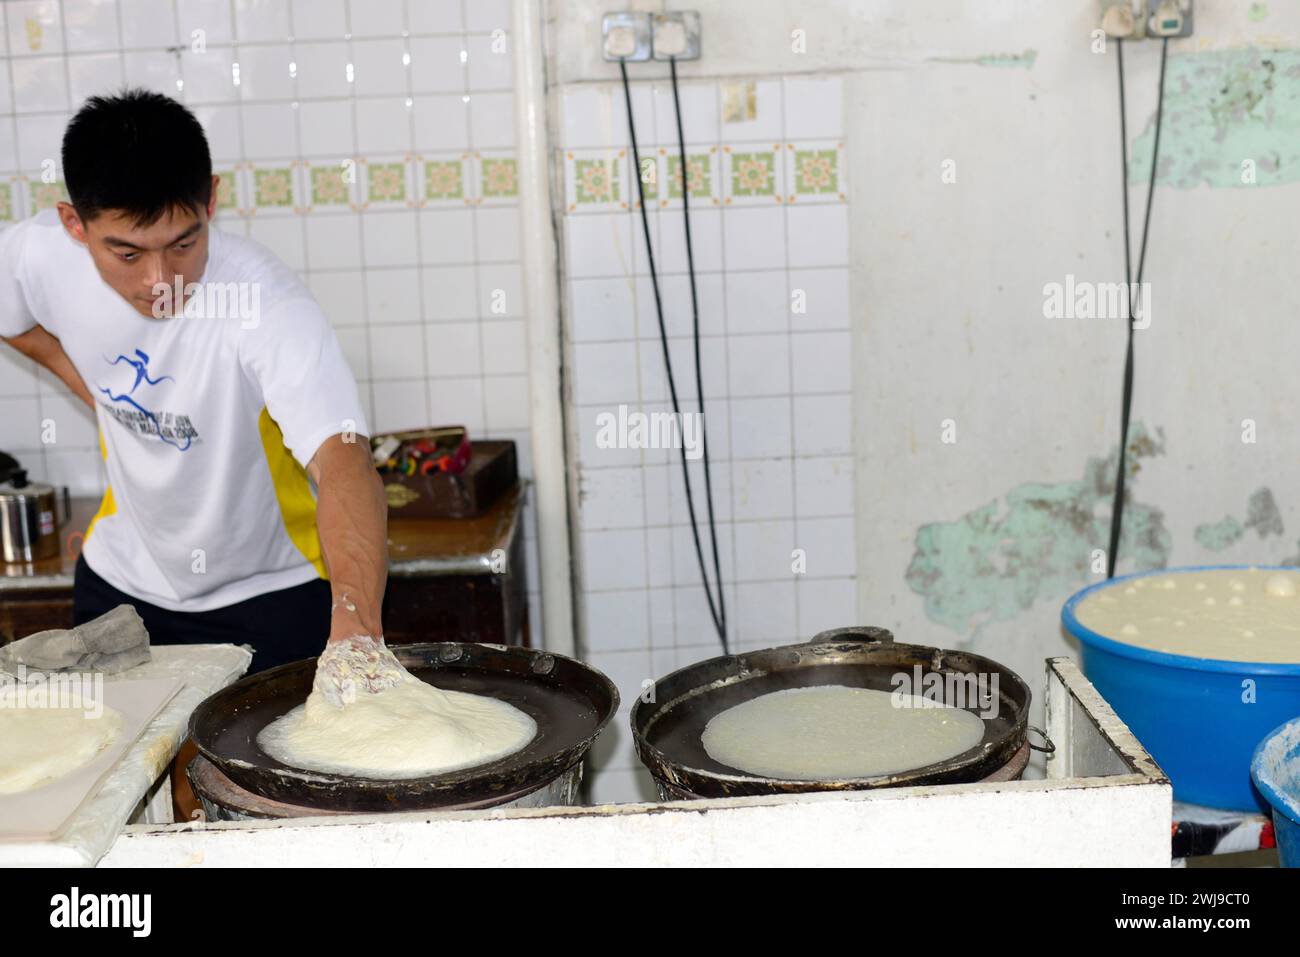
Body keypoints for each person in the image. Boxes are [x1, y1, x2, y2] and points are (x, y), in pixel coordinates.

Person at [0, 89, 388, 673]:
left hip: (271, 595)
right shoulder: (38, 255)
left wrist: (358, 633)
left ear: (212, 199)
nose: (161, 279)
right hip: (119, 587)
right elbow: (13, 320)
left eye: (184, 243)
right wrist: (96, 393)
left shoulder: (264, 302)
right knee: (120, 763)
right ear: (74, 224)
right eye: (127, 253)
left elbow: (344, 463)